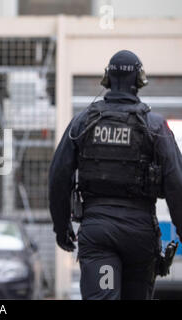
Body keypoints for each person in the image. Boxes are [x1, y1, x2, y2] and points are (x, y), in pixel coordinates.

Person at [48, 50, 182, 300]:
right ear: (139, 81)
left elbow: (58, 175)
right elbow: (176, 182)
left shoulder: (82, 122)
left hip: (100, 236)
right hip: (140, 238)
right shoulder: (155, 126)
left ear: (107, 79)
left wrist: (61, 225)